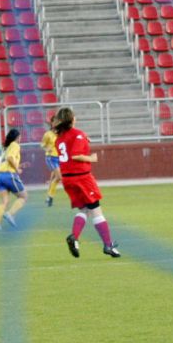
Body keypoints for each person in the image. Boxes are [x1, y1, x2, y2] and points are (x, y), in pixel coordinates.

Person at [53, 107, 120, 258]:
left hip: (68, 179)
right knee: (96, 210)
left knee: (83, 210)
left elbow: (70, 147)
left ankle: (75, 238)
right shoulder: (78, 134)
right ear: (72, 119)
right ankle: (108, 245)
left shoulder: (60, 138)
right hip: (82, 178)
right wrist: (91, 158)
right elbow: (76, 155)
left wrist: (83, 139)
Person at [0, 128, 27, 230]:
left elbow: (7, 160)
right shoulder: (15, 145)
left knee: (4, 201)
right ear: (17, 137)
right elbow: (10, 158)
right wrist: (17, 169)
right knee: (23, 196)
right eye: (20, 136)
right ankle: (10, 214)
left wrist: (19, 165)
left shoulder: (6, 147)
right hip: (9, 175)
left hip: (0, 176)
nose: (20, 138)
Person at [40, 115, 61, 207]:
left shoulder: (61, 133)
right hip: (51, 157)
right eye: (54, 122)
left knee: (54, 179)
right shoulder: (47, 134)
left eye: (58, 122)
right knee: (59, 177)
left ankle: (48, 198)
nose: (56, 124)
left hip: (60, 158)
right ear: (51, 123)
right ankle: (50, 197)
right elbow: (42, 145)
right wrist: (46, 149)